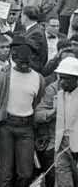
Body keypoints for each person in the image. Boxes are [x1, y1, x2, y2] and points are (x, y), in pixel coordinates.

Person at [0, 45, 45, 187]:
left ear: (32, 59)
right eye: (21, 62)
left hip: (27, 128)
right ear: (14, 59)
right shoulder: (4, 76)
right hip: (6, 127)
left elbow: (39, 106)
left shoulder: (38, 78)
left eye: (27, 62)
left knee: (25, 173)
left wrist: (41, 132)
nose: (24, 65)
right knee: (6, 173)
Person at [42, 57, 78, 187]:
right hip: (61, 145)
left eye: (65, 78)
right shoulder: (60, 95)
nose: (61, 82)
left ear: (75, 78)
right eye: (60, 77)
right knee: (63, 180)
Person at [19, 6, 48, 72]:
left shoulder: (37, 32)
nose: (20, 18)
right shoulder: (27, 29)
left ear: (25, 17)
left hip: (32, 69)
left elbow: (32, 53)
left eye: (21, 16)